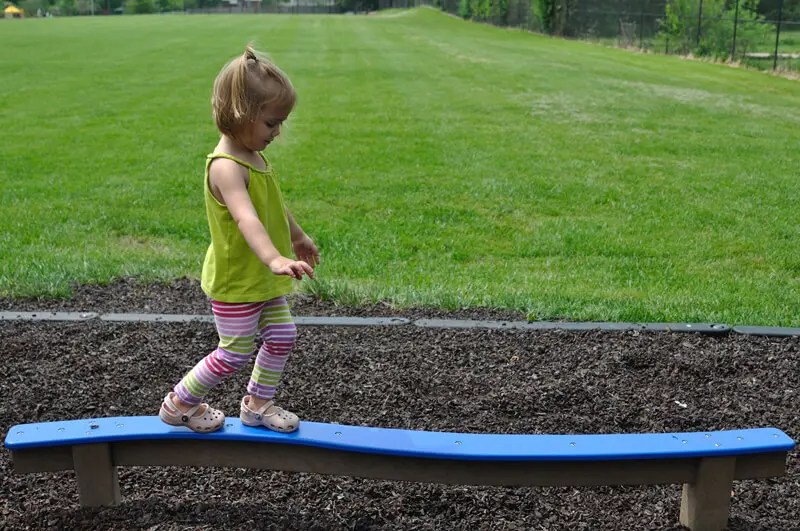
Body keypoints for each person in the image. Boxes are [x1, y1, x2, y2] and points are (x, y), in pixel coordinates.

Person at [159, 45, 319, 434]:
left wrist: (297, 238)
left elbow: (272, 206)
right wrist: (274, 259)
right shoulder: (227, 167)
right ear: (239, 115)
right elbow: (247, 218)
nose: (277, 131)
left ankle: (258, 405)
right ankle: (179, 403)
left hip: (260, 277)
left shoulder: (254, 157)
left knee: (282, 335)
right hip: (237, 281)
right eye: (271, 123)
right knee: (233, 353)